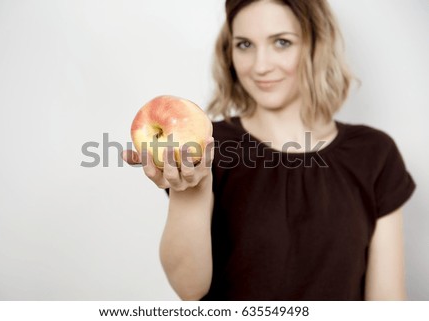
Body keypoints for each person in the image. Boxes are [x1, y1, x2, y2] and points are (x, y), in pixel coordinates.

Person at [122, 0, 416, 300]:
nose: (261, 65)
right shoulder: (208, 146)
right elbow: (189, 288)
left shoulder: (374, 153)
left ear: (317, 45)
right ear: (229, 52)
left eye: (281, 42)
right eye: (245, 44)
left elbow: (388, 304)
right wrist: (192, 189)